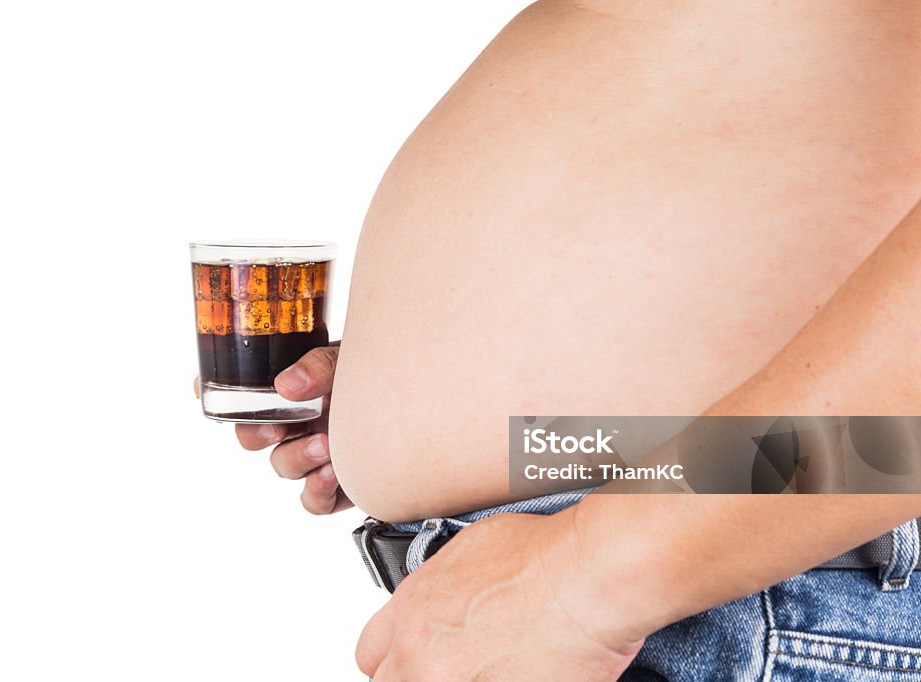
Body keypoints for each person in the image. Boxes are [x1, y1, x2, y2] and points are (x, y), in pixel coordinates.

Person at [230, 1, 921, 678]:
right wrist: (447, 382)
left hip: (718, 587)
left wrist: (594, 575)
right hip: (595, 589)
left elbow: (886, 449)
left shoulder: (604, 577)